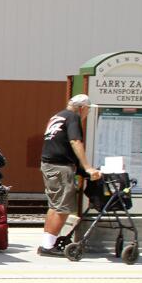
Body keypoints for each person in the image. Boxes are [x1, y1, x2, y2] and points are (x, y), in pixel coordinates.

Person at [38, 94, 101, 257]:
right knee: (63, 207)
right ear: (81, 108)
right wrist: (88, 167)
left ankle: (47, 243)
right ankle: (47, 247)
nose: (88, 113)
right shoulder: (73, 117)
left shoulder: (58, 116)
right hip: (60, 168)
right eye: (87, 109)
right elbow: (75, 142)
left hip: (50, 165)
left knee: (55, 206)